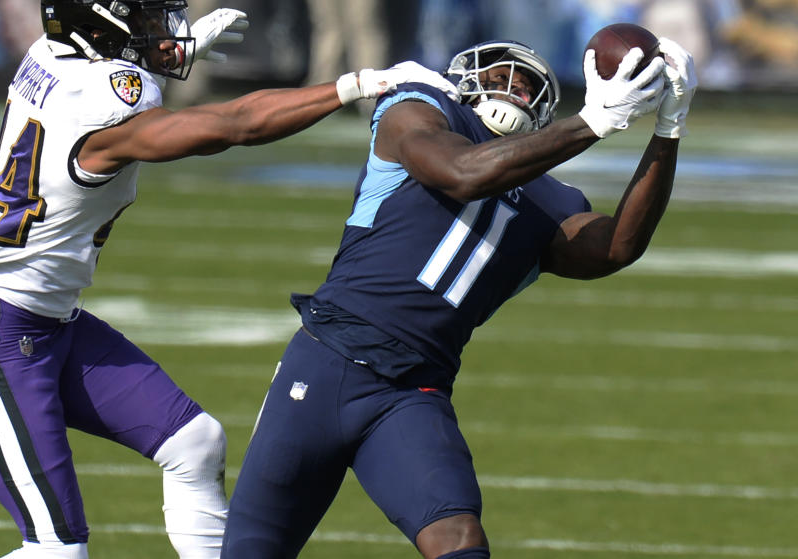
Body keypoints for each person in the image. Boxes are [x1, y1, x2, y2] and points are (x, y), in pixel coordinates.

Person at [0, 0, 454, 559]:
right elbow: (233, 126)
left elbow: (112, 71)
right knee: (56, 549)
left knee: (194, 441)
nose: (161, 32)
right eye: (143, 18)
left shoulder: (51, 56)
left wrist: (173, 49)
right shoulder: (104, 109)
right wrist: (358, 84)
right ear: (101, 25)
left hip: (49, 323)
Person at [221, 37, 697, 559]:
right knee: (253, 551)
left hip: (412, 394)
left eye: (527, 86)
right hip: (328, 363)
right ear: (467, 78)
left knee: (459, 542)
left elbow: (617, 247)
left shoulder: (551, 198)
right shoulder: (419, 109)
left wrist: (666, 130)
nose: (513, 89)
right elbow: (462, 174)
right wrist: (592, 123)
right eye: (500, 77)